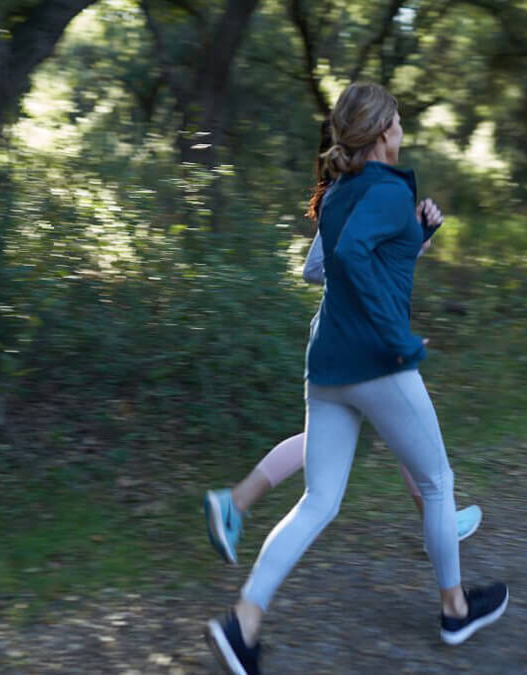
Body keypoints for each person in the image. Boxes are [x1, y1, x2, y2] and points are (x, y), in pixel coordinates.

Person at [206, 83, 508, 675]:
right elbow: (347, 260)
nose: (402, 126)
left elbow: (364, 258)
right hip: (377, 363)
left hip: (329, 365)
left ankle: (243, 624)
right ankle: (454, 609)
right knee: (440, 482)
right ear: (380, 134)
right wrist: (396, 339)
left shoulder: (341, 193)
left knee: (317, 501)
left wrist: (417, 235)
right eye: (397, 119)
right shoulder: (387, 190)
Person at [202, 120, 482, 567]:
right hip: (358, 334)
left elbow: (374, 257)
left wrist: (416, 237)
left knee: (372, 433)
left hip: (363, 330)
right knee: (399, 428)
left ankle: (235, 502)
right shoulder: (346, 198)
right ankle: (439, 523)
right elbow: (318, 267)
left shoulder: (362, 194)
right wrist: (360, 276)